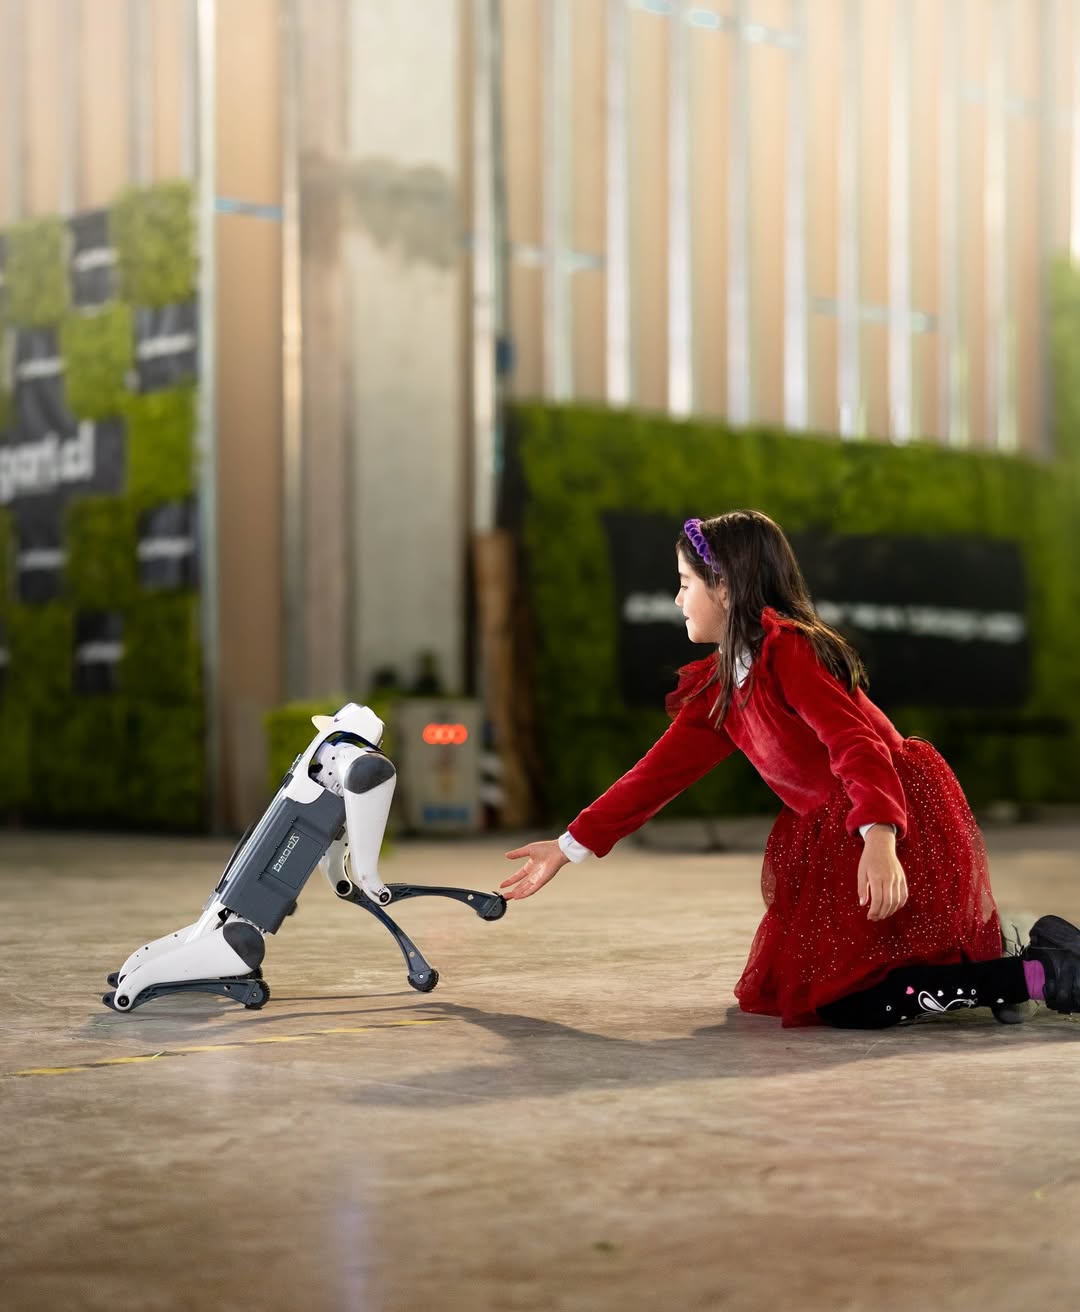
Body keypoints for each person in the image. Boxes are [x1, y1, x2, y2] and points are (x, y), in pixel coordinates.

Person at [501, 509, 1080, 1029]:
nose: (677, 600)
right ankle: (1011, 965)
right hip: (838, 828)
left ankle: (1040, 974)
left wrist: (879, 837)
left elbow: (858, 745)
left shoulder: (790, 651)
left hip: (887, 815)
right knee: (804, 990)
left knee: (851, 1002)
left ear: (724, 589)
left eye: (684, 585)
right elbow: (655, 776)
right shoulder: (721, 686)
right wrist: (569, 844)